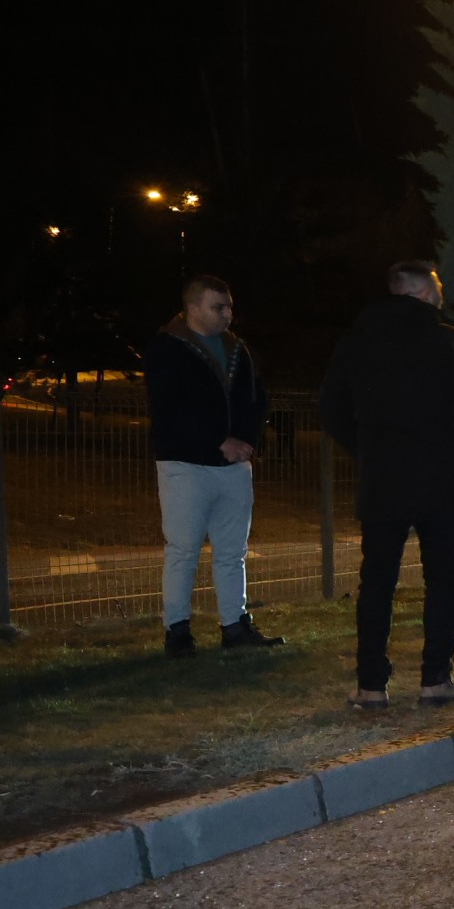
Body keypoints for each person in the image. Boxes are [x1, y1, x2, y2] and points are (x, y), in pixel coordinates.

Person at [319, 260, 454, 707]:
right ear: (423, 292)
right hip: (440, 478)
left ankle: (370, 685)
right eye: (437, 286)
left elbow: (330, 405)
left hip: (383, 478)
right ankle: (435, 679)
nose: (441, 294)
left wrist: (367, 449)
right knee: (442, 580)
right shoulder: (447, 339)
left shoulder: (357, 338)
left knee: (377, 581)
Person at [144, 274, 280, 655]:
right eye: (217, 307)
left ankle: (235, 626)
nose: (227, 314)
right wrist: (219, 441)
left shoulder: (238, 349)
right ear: (192, 309)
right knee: (183, 549)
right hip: (185, 464)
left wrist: (247, 442)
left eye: (229, 306)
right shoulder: (166, 350)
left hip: (233, 466)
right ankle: (177, 631)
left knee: (232, 551)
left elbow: (257, 399)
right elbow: (170, 409)